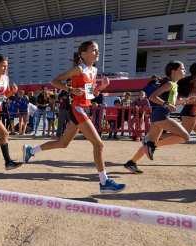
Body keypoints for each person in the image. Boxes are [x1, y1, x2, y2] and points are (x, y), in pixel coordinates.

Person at [23, 41, 125, 193]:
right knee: (99, 144)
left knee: (63, 143)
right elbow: (54, 81)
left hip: (84, 108)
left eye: (97, 50)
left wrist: (101, 87)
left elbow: (90, 94)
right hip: (77, 109)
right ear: (83, 54)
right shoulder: (79, 69)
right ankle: (104, 182)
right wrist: (70, 89)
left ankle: (31, 151)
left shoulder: (94, 70)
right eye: (93, 50)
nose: (97, 53)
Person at [123, 61, 192, 174]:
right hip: (161, 115)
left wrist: (183, 101)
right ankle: (151, 145)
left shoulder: (174, 84)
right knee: (185, 136)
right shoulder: (170, 84)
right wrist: (166, 104)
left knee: (151, 143)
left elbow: (171, 103)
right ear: (173, 71)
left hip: (159, 115)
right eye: (182, 68)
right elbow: (152, 97)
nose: (184, 70)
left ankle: (131, 162)